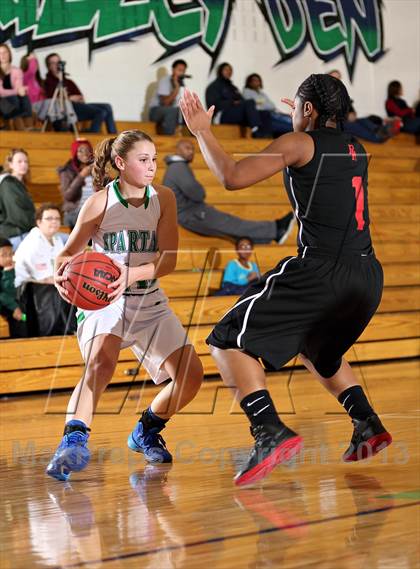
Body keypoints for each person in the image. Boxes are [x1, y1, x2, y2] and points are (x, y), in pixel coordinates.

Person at [180, 75, 392, 487]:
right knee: (317, 349)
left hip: (321, 270)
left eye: (298, 107)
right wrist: (301, 119)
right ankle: (366, 421)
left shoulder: (299, 144)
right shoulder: (356, 147)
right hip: (367, 274)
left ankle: (268, 431)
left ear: (308, 111)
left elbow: (232, 176)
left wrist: (202, 131)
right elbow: (318, 148)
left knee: (225, 339)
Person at [46, 129, 204, 481]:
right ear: (121, 163)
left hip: (148, 296)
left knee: (192, 377)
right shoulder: (99, 202)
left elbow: (170, 259)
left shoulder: (163, 197)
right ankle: (73, 439)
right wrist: (62, 271)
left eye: (154, 160)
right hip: (105, 299)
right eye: (143, 160)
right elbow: (68, 252)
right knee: (102, 361)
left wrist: (133, 273)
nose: (152, 167)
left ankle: (146, 429)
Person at [163, 139, 295, 244]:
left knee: (231, 225)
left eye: (192, 148)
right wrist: (201, 192)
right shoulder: (178, 167)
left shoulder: (176, 167)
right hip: (191, 214)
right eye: (187, 148)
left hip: (191, 213)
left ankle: (270, 234)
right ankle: (276, 229)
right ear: (177, 150)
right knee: (232, 224)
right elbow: (197, 193)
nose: (191, 151)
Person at [14, 203, 76, 337]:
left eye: (57, 218)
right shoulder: (33, 243)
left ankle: (72, 329)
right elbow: (44, 278)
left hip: (46, 285)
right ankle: (54, 334)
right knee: (58, 290)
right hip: (26, 289)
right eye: (49, 218)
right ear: (39, 222)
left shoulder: (57, 239)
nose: (54, 222)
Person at [44, 53, 117, 133]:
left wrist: (78, 99)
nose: (57, 65)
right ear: (49, 66)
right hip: (66, 110)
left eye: (59, 62)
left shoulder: (68, 81)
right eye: (53, 63)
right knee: (101, 112)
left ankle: (114, 136)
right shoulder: (47, 82)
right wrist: (70, 98)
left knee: (107, 107)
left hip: (79, 106)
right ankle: (93, 135)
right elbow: (52, 102)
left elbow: (80, 97)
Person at [205, 63, 272, 138]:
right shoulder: (213, 86)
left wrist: (239, 103)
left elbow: (242, 101)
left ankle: (266, 136)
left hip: (235, 113)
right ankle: (256, 131)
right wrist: (232, 102)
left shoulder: (233, 88)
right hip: (221, 116)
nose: (229, 71)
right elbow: (213, 106)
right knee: (250, 102)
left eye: (230, 70)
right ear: (220, 70)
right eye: (226, 69)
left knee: (264, 113)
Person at [329, 70, 393, 143]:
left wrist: (353, 113)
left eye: (338, 78)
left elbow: (349, 107)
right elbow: (329, 113)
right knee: (353, 126)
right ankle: (377, 138)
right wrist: (347, 116)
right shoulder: (324, 93)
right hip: (335, 123)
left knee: (362, 120)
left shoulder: (341, 93)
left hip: (345, 119)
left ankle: (380, 130)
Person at [0, 148, 35, 250]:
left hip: (23, 232)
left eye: (26, 161)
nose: (23, 164)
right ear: (10, 164)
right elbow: (17, 216)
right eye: (19, 161)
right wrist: (37, 227)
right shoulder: (8, 184)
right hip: (14, 234)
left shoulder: (18, 184)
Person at [58, 139, 95, 229]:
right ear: (75, 153)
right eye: (80, 151)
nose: (85, 153)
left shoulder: (96, 168)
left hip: (93, 212)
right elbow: (68, 196)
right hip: (74, 212)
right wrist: (81, 176)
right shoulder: (66, 171)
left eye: (88, 150)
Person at [149, 59, 188, 135]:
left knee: (191, 113)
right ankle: (169, 138)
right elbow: (166, 102)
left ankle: (198, 141)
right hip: (156, 111)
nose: (181, 72)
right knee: (172, 111)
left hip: (174, 112)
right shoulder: (165, 81)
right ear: (173, 70)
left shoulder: (182, 84)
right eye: (179, 70)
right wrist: (176, 88)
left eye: (183, 70)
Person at [0, 43, 33, 129]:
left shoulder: (17, 71)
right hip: (2, 100)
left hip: (12, 101)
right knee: (14, 98)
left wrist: (21, 91)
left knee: (24, 97)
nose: (3, 55)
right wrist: (17, 91)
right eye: (0, 53)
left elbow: (19, 87)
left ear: (9, 54)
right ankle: (21, 129)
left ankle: (29, 127)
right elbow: (1, 92)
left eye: (5, 52)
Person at [0, 237, 27, 338]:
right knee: (20, 318)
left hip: (14, 304)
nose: (8, 258)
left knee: (26, 317)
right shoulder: (7, 271)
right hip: (8, 307)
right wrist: (14, 307)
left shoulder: (13, 268)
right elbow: (3, 294)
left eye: (11, 254)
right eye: (4, 255)